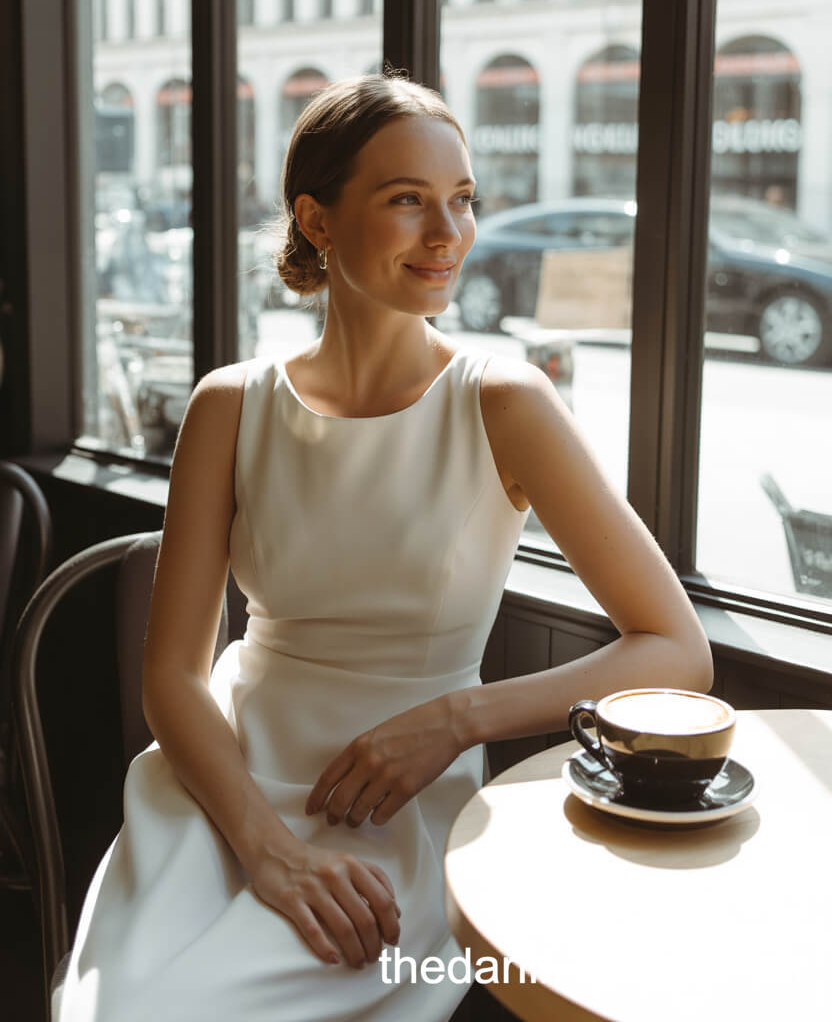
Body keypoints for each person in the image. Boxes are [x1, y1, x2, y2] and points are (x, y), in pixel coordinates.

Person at [57, 72, 713, 1022]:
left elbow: (675, 651)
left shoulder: (505, 402)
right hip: (221, 790)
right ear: (317, 222)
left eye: (463, 200)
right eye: (408, 201)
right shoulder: (229, 405)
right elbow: (171, 678)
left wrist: (455, 721)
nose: (448, 234)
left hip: (397, 814)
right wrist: (265, 848)